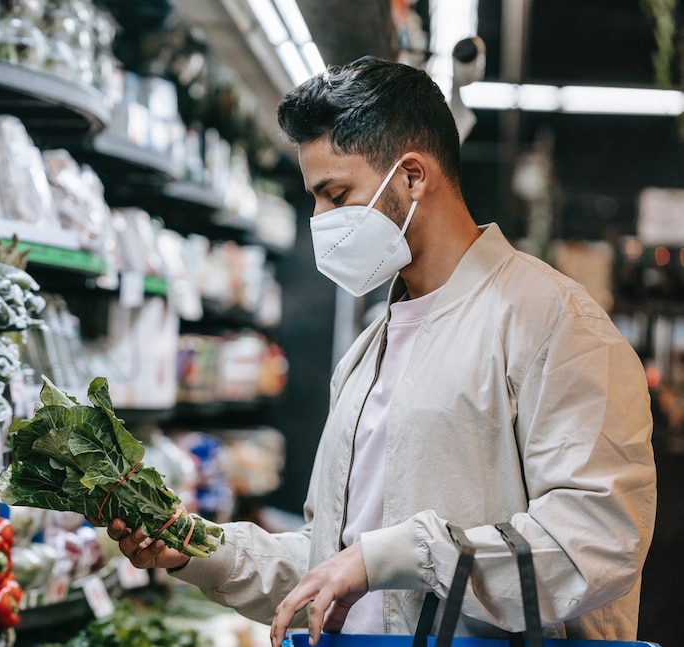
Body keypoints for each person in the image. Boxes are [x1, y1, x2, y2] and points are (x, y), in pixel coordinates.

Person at [106, 56, 657, 645]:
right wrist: (198, 549)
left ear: (413, 176)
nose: (319, 220)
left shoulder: (552, 324)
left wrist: (398, 554)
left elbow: (595, 542)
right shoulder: (369, 350)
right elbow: (333, 562)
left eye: (335, 194)